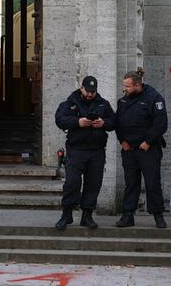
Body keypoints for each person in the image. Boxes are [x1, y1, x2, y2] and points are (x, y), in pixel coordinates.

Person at [54, 75, 117, 230]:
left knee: (94, 183)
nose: (89, 94)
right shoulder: (70, 103)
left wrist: (103, 123)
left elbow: (114, 122)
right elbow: (60, 120)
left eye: (92, 92)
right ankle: (66, 214)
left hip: (96, 151)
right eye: (87, 91)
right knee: (72, 183)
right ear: (81, 87)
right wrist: (78, 122)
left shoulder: (103, 104)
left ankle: (87, 215)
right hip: (77, 150)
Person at [114, 68, 168, 229]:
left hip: (148, 148)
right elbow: (118, 122)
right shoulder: (123, 101)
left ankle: (158, 215)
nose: (124, 89)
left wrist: (148, 142)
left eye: (128, 86)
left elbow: (160, 124)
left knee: (152, 183)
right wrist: (122, 140)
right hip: (129, 149)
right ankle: (128, 215)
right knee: (131, 183)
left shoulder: (154, 98)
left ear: (137, 85)